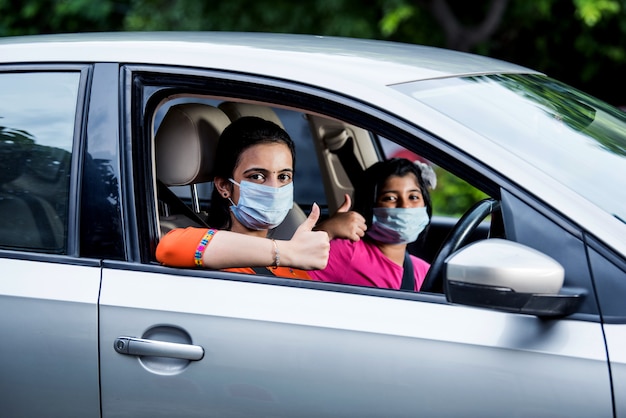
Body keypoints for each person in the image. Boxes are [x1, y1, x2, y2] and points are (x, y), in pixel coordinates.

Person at [156, 116, 343, 278]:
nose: (274, 188)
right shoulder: (216, 257)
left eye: (283, 176)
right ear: (224, 186)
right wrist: (287, 252)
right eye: (257, 176)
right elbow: (169, 246)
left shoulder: (291, 263)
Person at [309, 158, 433, 291]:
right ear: (370, 206)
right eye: (390, 198)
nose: (405, 206)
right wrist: (327, 230)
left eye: (413, 197)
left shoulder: (425, 272)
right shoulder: (348, 251)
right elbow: (288, 268)